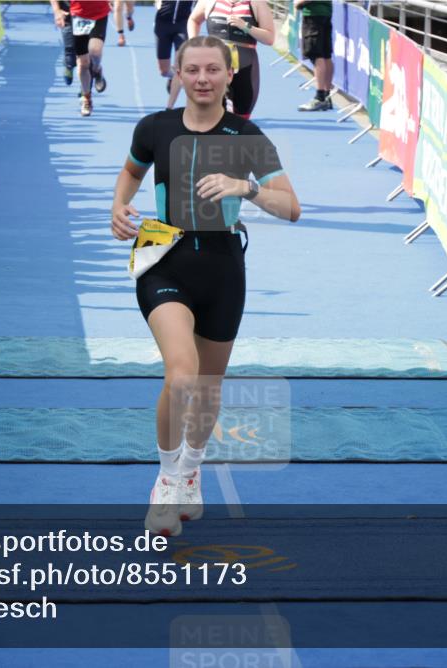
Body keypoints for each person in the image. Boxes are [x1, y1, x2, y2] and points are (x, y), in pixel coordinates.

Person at [110, 36, 300, 536]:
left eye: (212, 69)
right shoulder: (155, 127)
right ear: (177, 73)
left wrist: (248, 187)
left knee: (209, 386)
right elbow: (130, 174)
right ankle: (167, 480)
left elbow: (291, 206)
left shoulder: (247, 135)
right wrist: (118, 207)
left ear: (228, 75)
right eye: (191, 69)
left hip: (222, 265)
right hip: (163, 259)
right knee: (182, 374)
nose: (201, 79)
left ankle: (191, 469)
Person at [187, 0, 274, 120]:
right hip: (214, 67)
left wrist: (246, 26)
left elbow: (269, 38)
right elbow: (194, 20)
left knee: (241, 117)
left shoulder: (256, 3)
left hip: (245, 67)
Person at [295, 0, 333, 111]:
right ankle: (326, 96)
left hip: (313, 15)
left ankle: (320, 97)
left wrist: (299, 2)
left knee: (317, 55)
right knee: (326, 55)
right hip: (325, 12)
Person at [154, 0, 192, 109]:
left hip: (183, 25)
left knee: (178, 66)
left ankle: (169, 107)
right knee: (163, 71)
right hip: (162, 25)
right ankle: (172, 77)